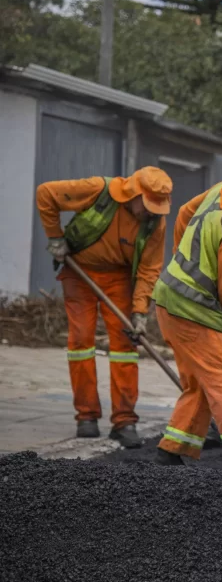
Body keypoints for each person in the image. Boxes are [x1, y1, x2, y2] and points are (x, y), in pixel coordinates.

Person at [36, 167, 172, 447]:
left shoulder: (155, 222)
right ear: (132, 193)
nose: (151, 212)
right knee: (81, 342)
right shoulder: (97, 189)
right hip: (79, 272)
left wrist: (138, 312)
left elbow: (149, 269)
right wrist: (55, 237)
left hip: (119, 278)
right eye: (147, 206)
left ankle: (124, 421)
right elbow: (45, 193)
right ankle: (86, 417)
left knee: (125, 346)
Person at [151, 158, 222, 465]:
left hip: (174, 295)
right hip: (194, 307)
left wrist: (182, 259)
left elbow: (184, 213)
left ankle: (172, 450)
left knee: (201, 382)